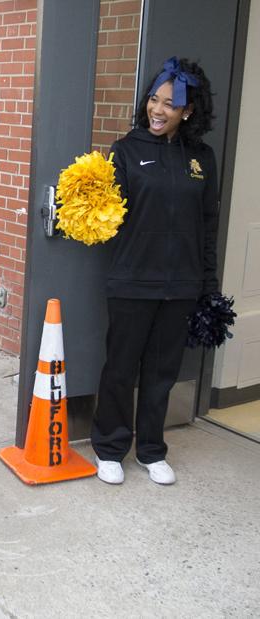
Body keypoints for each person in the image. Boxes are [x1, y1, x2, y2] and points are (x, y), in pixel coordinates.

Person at [92, 57, 219, 486]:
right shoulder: (125, 150)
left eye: (170, 103)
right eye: (154, 99)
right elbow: (108, 217)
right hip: (132, 280)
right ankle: (110, 448)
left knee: (162, 373)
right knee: (120, 368)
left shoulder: (203, 159)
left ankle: (151, 449)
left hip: (180, 285)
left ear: (188, 111)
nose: (158, 110)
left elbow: (208, 226)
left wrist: (208, 285)